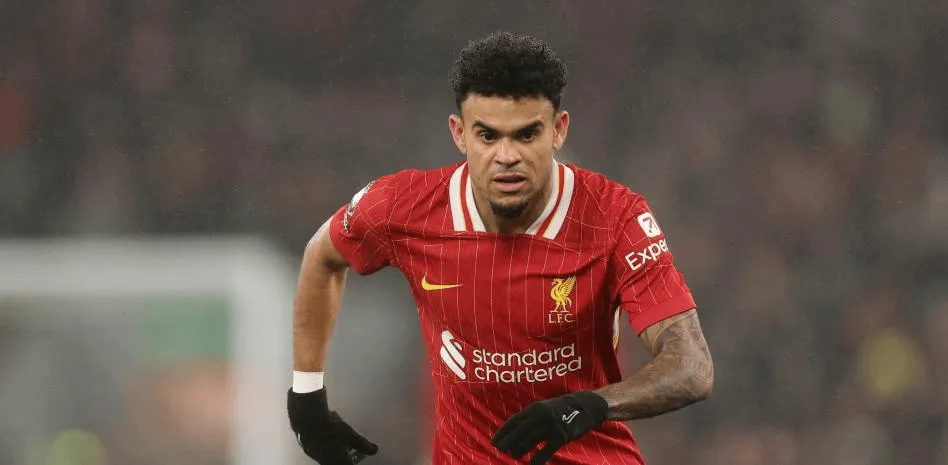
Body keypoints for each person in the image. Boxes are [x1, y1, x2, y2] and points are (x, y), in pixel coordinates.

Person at [286, 31, 714, 465]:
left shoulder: (615, 217)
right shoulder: (405, 207)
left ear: (558, 130)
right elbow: (323, 256)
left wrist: (590, 405)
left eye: (526, 135)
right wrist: (306, 398)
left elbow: (692, 367)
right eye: (488, 136)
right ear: (459, 133)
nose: (507, 156)